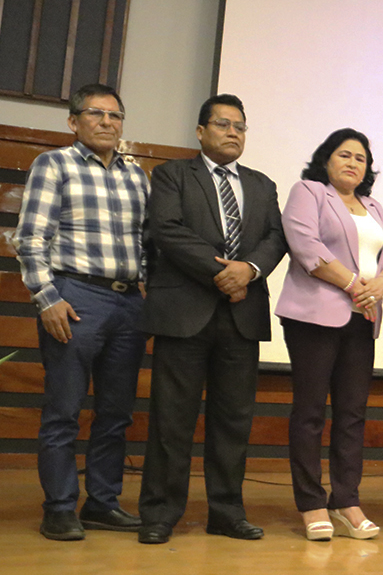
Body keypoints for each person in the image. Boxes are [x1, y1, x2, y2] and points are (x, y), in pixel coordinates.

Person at [136, 94, 287, 544]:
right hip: (185, 312)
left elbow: (275, 236)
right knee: (172, 419)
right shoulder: (171, 174)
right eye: (222, 124)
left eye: (240, 126)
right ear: (201, 132)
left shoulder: (262, 184)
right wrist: (224, 271)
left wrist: (250, 270)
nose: (232, 132)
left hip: (242, 316)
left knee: (233, 421)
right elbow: (167, 230)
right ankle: (161, 513)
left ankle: (226, 512)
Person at [14, 83, 149, 541]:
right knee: (64, 410)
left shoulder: (136, 174)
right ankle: (59, 506)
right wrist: (48, 298)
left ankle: (102, 503)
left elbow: (143, 242)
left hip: (129, 302)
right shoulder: (54, 165)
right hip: (75, 297)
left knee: (116, 412)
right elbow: (30, 238)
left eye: (115, 115)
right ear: (73, 122)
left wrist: (145, 286)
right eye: (96, 114)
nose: (108, 122)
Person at [275, 129, 383, 540]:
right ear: (326, 159)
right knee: (310, 412)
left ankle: (346, 500)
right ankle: (311, 503)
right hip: (314, 317)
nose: (352, 163)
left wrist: (381, 285)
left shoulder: (374, 206)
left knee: (352, 414)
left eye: (360, 158)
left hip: (363, 317)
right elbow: (305, 246)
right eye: (344, 155)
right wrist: (353, 284)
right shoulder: (309, 192)